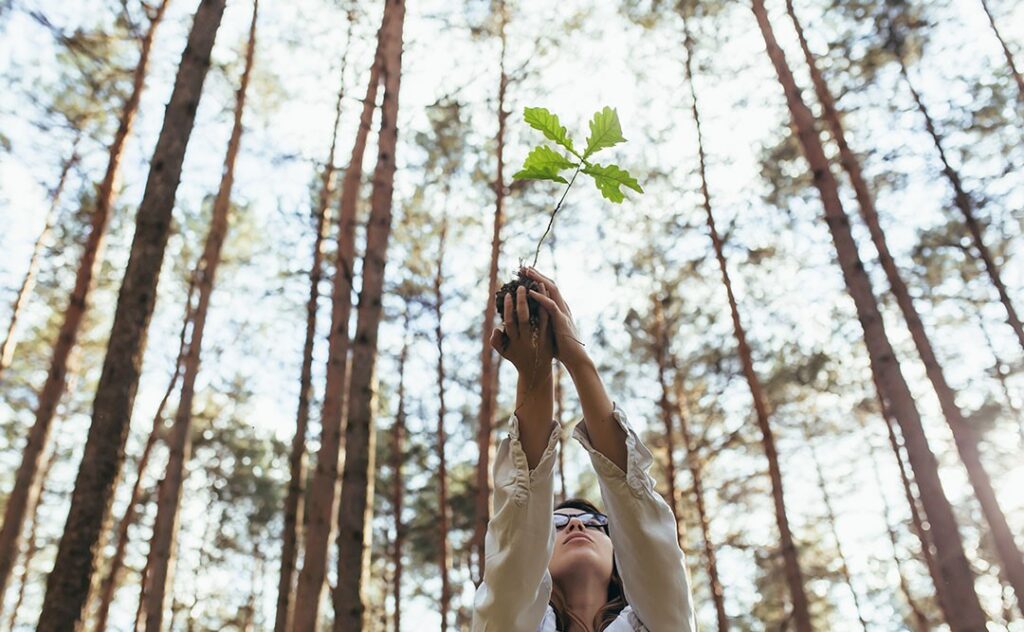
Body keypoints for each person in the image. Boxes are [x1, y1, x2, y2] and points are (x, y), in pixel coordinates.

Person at [472, 267, 697, 632]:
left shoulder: (661, 623)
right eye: (557, 524)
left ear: (618, 553)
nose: (576, 523)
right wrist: (534, 368)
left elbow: (643, 527)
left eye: (597, 523)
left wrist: (576, 357)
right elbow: (515, 555)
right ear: (540, 557)